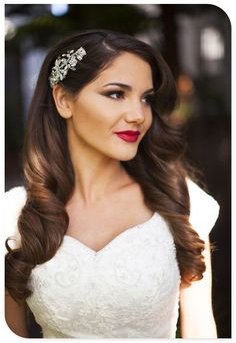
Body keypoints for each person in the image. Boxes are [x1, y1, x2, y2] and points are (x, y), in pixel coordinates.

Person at [4, 29, 220, 339]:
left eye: (146, 98)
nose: (138, 115)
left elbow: (201, 331)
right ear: (64, 100)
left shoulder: (180, 200)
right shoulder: (14, 215)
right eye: (116, 94)